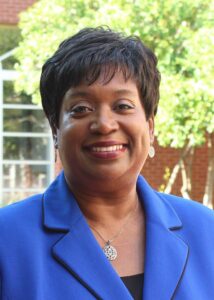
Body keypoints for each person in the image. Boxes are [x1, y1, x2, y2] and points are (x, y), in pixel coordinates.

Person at [0, 27, 214, 300]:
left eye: (123, 106)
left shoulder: (208, 233)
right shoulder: (6, 241)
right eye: (81, 109)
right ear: (56, 130)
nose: (103, 124)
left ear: (149, 128)